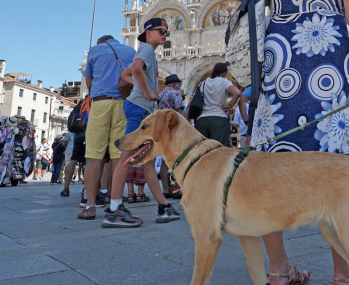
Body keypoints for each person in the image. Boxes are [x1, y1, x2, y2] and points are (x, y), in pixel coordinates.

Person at [233, 0, 349, 285]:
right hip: (329, 56)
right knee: (337, 167)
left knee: (269, 164)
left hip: (282, 61)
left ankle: (279, 271)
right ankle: (344, 274)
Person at [115, 18, 180, 224]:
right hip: (140, 108)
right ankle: (114, 209)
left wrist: (139, 88)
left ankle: (163, 206)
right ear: (148, 32)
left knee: (149, 161)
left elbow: (125, 74)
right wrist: (145, 91)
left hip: (141, 107)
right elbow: (135, 69)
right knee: (126, 157)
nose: (164, 34)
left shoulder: (146, 50)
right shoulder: (147, 49)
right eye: (160, 30)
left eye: (166, 32)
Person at [80, 34, 139, 224]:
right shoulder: (130, 50)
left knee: (95, 155)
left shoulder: (95, 51)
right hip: (123, 103)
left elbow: (89, 84)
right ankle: (114, 203)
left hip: (100, 103)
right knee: (118, 155)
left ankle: (89, 205)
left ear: (101, 42)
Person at [195, 63, 243, 146]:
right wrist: (230, 106)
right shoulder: (223, 81)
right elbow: (237, 92)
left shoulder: (203, 83)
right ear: (224, 73)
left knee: (203, 151)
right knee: (220, 151)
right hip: (218, 119)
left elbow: (192, 101)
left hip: (201, 120)